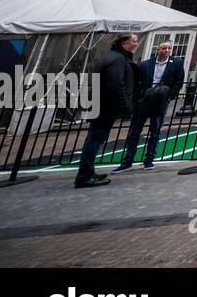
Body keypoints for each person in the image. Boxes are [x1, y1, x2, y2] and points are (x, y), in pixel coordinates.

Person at [75, 33, 139, 188]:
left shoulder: (112, 56)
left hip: (101, 104)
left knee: (94, 139)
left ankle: (87, 172)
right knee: (95, 139)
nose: (136, 44)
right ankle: (85, 175)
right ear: (124, 43)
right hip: (105, 106)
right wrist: (125, 105)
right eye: (134, 41)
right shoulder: (117, 59)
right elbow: (115, 84)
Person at [114, 38, 185, 171]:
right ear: (158, 49)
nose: (167, 50)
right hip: (144, 100)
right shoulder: (145, 64)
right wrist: (138, 97)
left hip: (160, 100)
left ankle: (149, 160)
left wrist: (168, 95)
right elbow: (137, 82)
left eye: (169, 48)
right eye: (164, 48)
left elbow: (179, 82)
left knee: (155, 131)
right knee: (135, 131)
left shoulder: (176, 63)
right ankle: (127, 161)